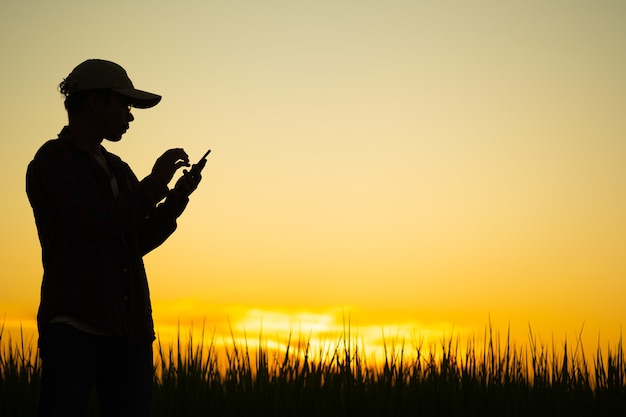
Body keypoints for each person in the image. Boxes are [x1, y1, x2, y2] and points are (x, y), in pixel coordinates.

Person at [26, 59, 204, 416]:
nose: (130, 115)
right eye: (124, 105)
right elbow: (99, 221)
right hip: (74, 330)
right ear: (95, 102)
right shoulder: (53, 161)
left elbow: (134, 240)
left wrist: (176, 197)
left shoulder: (119, 169)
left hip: (129, 332)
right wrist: (155, 182)